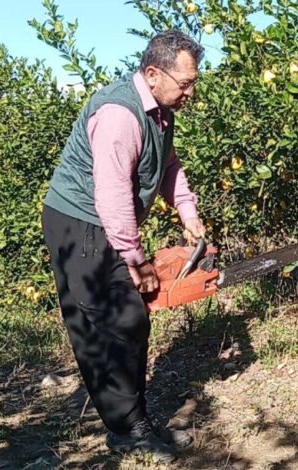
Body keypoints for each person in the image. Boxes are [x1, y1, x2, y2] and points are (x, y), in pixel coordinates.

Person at [41, 30, 205, 463]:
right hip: (79, 222)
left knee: (129, 319)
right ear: (153, 74)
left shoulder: (160, 112)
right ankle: (126, 429)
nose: (191, 91)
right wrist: (136, 260)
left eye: (194, 82)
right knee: (110, 321)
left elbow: (168, 166)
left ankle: (132, 423)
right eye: (185, 83)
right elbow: (112, 195)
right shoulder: (119, 113)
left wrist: (187, 212)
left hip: (105, 222)